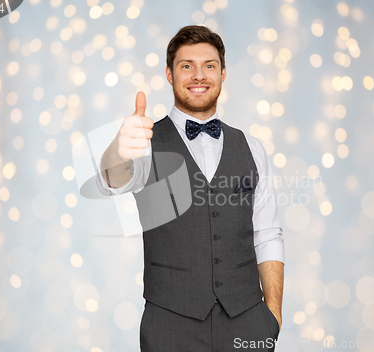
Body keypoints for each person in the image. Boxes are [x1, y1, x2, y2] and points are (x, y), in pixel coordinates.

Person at [96, 25, 284, 352]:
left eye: (209, 65)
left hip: (248, 320)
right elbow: (113, 179)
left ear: (223, 73)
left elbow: (267, 234)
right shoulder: (144, 142)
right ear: (169, 75)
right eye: (187, 66)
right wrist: (118, 149)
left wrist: (273, 316)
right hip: (170, 323)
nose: (199, 75)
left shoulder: (252, 147)